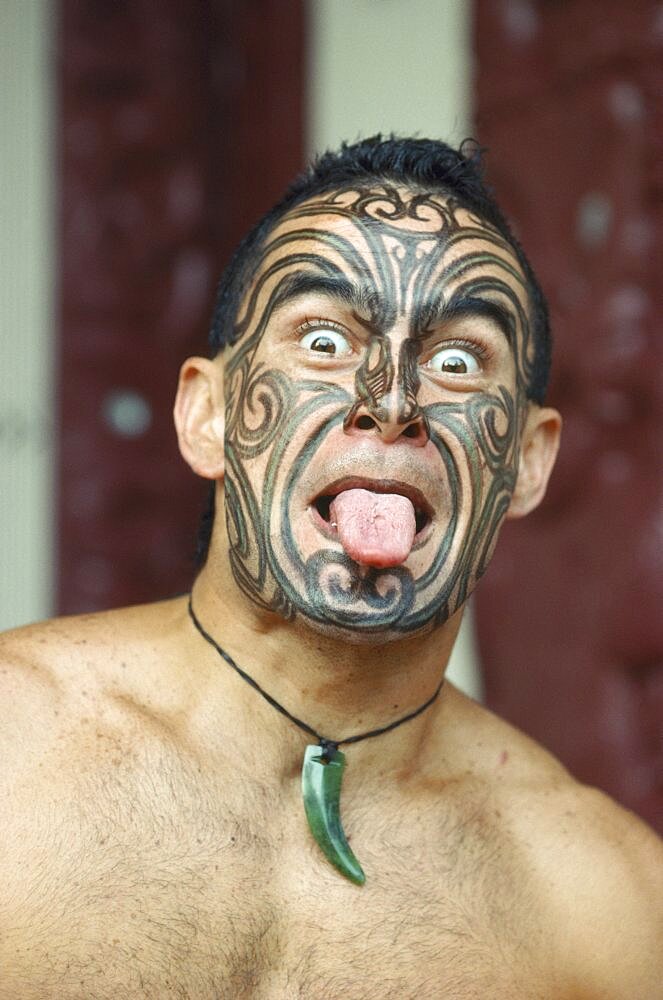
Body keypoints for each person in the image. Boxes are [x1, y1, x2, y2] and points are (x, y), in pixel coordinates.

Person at [2, 135, 661, 999]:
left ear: (529, 462)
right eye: (321, 341)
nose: (389, 403)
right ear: (205, 414)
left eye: (458, 363)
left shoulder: (607, 906)